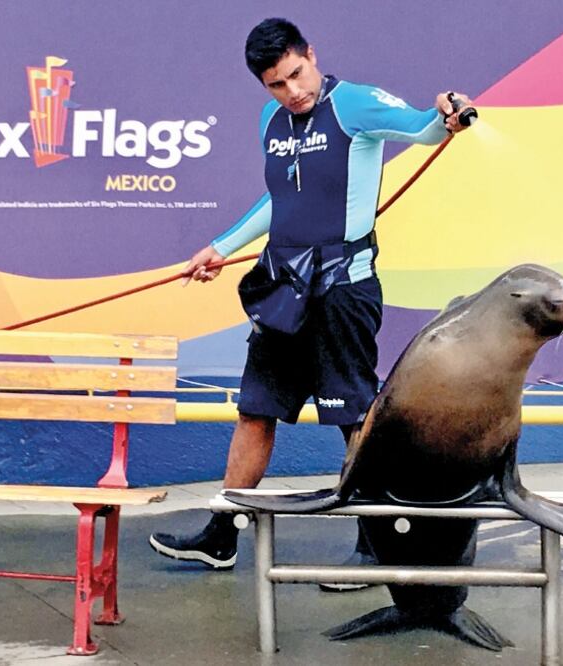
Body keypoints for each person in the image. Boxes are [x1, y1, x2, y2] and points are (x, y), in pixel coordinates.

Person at [149, 18, 473, 586]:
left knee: (351, 415)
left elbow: (424, 131)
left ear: (311, 55)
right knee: (255, 410)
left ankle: (376, 548)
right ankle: (222, 535)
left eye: (297, 74)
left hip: (343, 290)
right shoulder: (271, 122)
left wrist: (446, 112)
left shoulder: (356, 105)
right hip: (284, 287)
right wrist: (219, 248)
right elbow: (280, 199)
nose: (292, 91)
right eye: (277, 83)